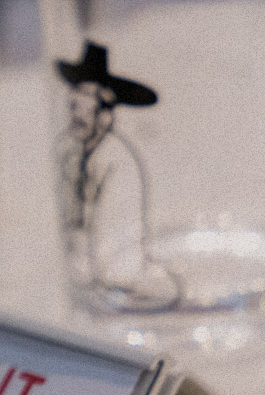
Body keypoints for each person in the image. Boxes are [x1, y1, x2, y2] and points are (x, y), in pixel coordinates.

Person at [55, 41, 180, 312]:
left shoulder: (117, 160)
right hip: (91, 283)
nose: (77, 112)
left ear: (106, 115)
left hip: (116, 282)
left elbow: (113, 242)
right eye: (74, 104)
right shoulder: (73, 152)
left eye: (88, 106)